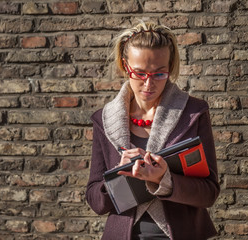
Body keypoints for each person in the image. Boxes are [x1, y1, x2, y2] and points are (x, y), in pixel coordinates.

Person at [86, 21, 220, 240]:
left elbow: (209, 193)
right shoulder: (104, 119)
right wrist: (118, 177)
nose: (148, 85)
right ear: (124, 66)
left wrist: (164, 180)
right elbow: (95, 201)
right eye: (139, 74)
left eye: (159, 74)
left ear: (170, 67)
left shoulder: (194, 113)